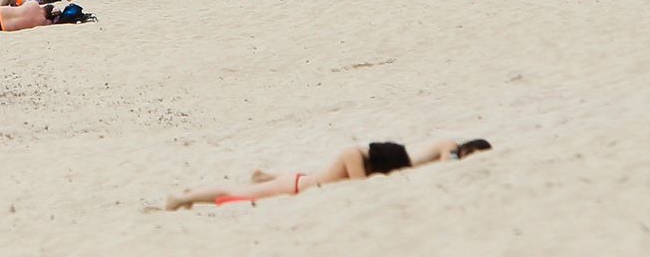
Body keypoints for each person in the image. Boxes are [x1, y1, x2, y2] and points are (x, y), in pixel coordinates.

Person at [164, 139, 493, 210]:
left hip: (304, 180)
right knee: (233, 193)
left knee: (249, 190)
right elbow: (360, 189)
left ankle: (263, 176)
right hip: (294, 186)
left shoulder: (374, 161)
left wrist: (452, 158)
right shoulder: (353, 155)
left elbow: (436, 149)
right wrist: (452, 158)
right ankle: (183, 198)